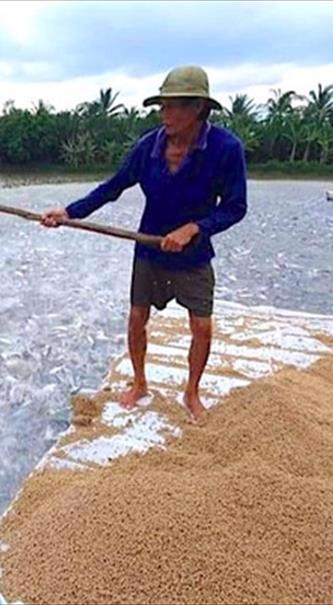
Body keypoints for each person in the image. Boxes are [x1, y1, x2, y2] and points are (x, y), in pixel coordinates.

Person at [41, 65, 247, 423]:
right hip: (149, 249)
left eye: (174, 107)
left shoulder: (226, 149)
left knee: (202, 326)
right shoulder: (148, 147)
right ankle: (139, 383)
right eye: (162, 106)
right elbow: (113, 187)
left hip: (194, 255)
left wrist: (195, 228)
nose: (165, 114)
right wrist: (69, 212)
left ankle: (192, 392)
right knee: (137, 317)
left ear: (199, 108)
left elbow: (236, 207)